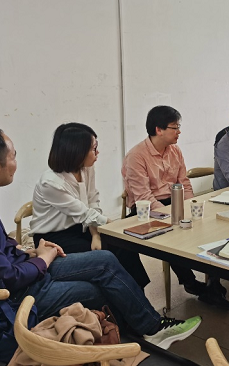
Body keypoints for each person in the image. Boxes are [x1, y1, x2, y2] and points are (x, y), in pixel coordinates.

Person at [0, 126, 201, 358]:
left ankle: (150, 328)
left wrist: (27, 252)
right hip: (9, 300)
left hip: (23, 270)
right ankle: (129, 339)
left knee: (106, 260)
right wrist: (43, 259)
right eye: (13, 156)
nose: (16, 162)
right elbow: (8, 279)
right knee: (97, 289)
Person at [123, 106, 229, 309]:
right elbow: (143, 196)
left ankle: (213, 281)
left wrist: (191, 206)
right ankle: (190, 283)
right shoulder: (136, 156)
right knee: (174, 234)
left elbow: (184, 183)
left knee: (209, 225)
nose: (179, 132)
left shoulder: (175, 150)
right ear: (159, 130)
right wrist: (172, 216)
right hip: (147, 208)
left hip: (175, 201)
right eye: (175, 127)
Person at [29, 123, 150, 289]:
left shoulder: (86, 169)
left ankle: (137, 292)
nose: (97, 152)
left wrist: (96, 234)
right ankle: (122, 296)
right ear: (77, 151)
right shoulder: (51, 183)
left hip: (82, 227)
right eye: (94, 148)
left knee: (124, 246)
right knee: (105, 255)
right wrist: (112, 226)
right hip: (53, 238)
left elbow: (92, 201)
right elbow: (84, 213)